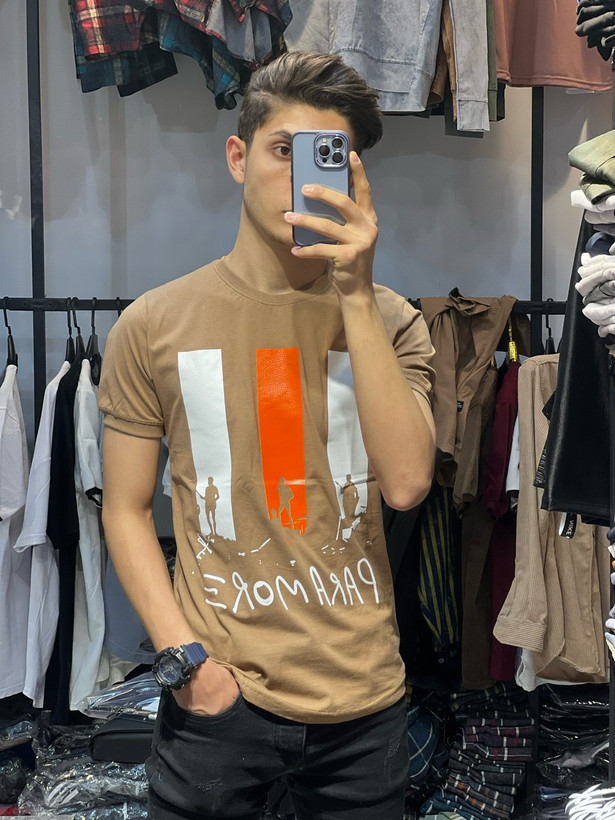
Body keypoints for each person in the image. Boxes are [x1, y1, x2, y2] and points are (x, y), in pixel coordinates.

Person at [99, 50, 436, 820]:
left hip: (363, 706)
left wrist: (355, 294)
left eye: (327, 156)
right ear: (236, 156)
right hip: (218, 702)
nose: (299, 175)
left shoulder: (391, 320)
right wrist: (185, 661)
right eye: (283, 149)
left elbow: (407, 484)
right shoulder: (153, 324)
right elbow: (124, 508)